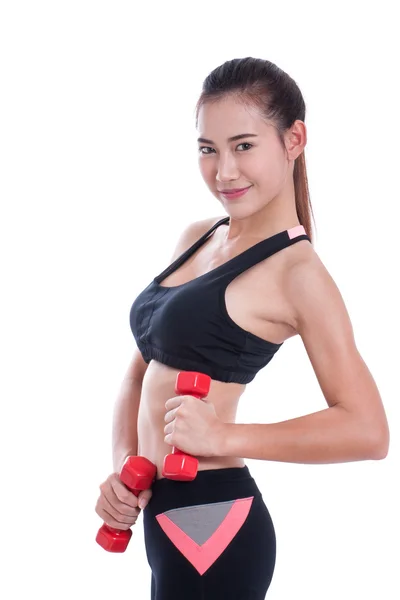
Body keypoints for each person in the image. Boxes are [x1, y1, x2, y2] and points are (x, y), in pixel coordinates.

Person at [95, 57, 390, 599]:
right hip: (161, 511)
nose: (224, 171)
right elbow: (139, 374)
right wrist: (122, 469)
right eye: (208, 149)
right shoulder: (198, 236)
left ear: (293, 139)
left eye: (244, 145)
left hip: (214, 519)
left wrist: (225, 436)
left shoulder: (297, 272)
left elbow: (368, 430)